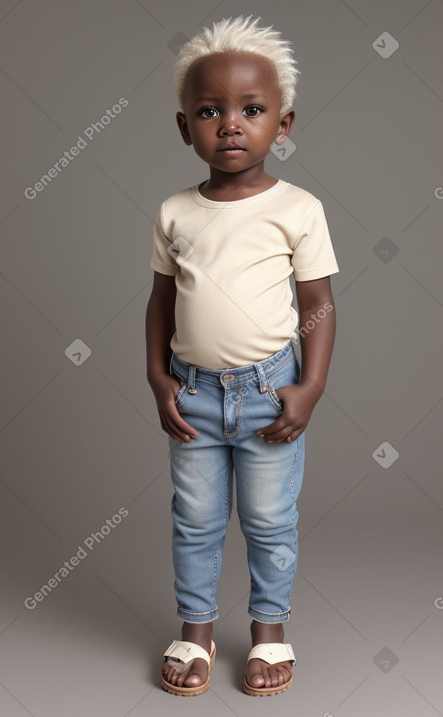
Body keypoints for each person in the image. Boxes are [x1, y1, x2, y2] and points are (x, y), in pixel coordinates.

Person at [145, 15, 339, 697]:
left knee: (268, 520)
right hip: (193, 394)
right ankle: (195, 632)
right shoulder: (175, 212)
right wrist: (157, 376)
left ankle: (269, 632)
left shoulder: (298, 208)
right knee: (194, 518)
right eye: (210, 111)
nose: (230, 124)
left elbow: (318, 303)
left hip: (269, 392)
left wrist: (309, 384)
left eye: (251, 110)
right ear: (184, 128)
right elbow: (161, 302)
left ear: (281, 124)